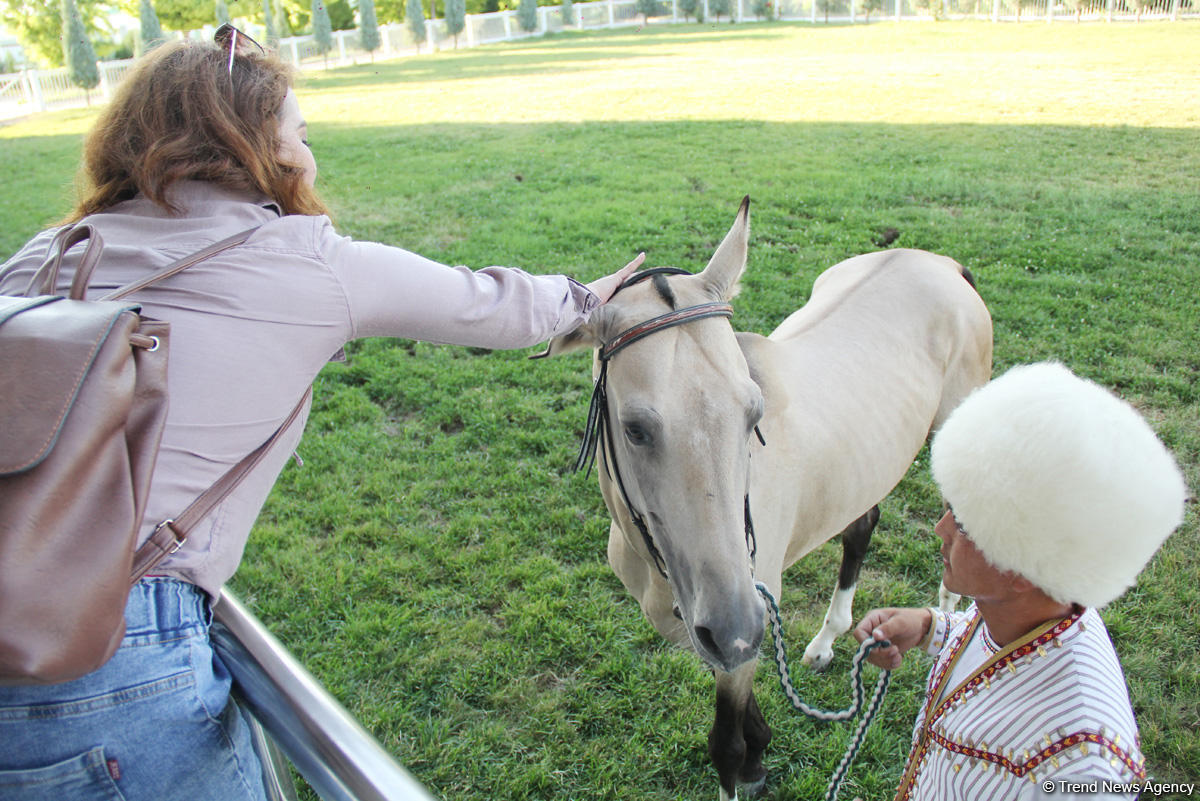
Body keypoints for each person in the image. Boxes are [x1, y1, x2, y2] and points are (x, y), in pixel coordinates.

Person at [0, 28, 642, 801]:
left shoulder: (44, 255)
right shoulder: (305, 262)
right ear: (257, 148)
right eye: (299, 134)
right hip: (109, 650)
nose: (309, 154)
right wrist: (587, 299)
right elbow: (485, 304)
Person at [852, 361, 1187, 801]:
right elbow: (990, 640)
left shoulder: (1083, 767)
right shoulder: (1026, 610)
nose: (941, 528)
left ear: (1023, 566)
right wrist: (930, 627)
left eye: (966, 523)